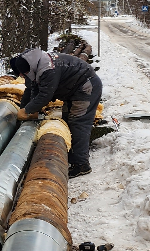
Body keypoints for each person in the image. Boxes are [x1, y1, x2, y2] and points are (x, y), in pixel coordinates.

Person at [9, 48, 102, 178]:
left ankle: (81, 165)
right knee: (67, 120)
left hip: (86, 87)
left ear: (27, 70)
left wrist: (27, 110)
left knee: (78, 123)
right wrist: (28, 109)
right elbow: (32, 89)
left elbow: (45, 95)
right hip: (73, 89)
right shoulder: (34, 65)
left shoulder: (48, 69)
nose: (23, 77)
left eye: (23, 74)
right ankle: (72, 155)